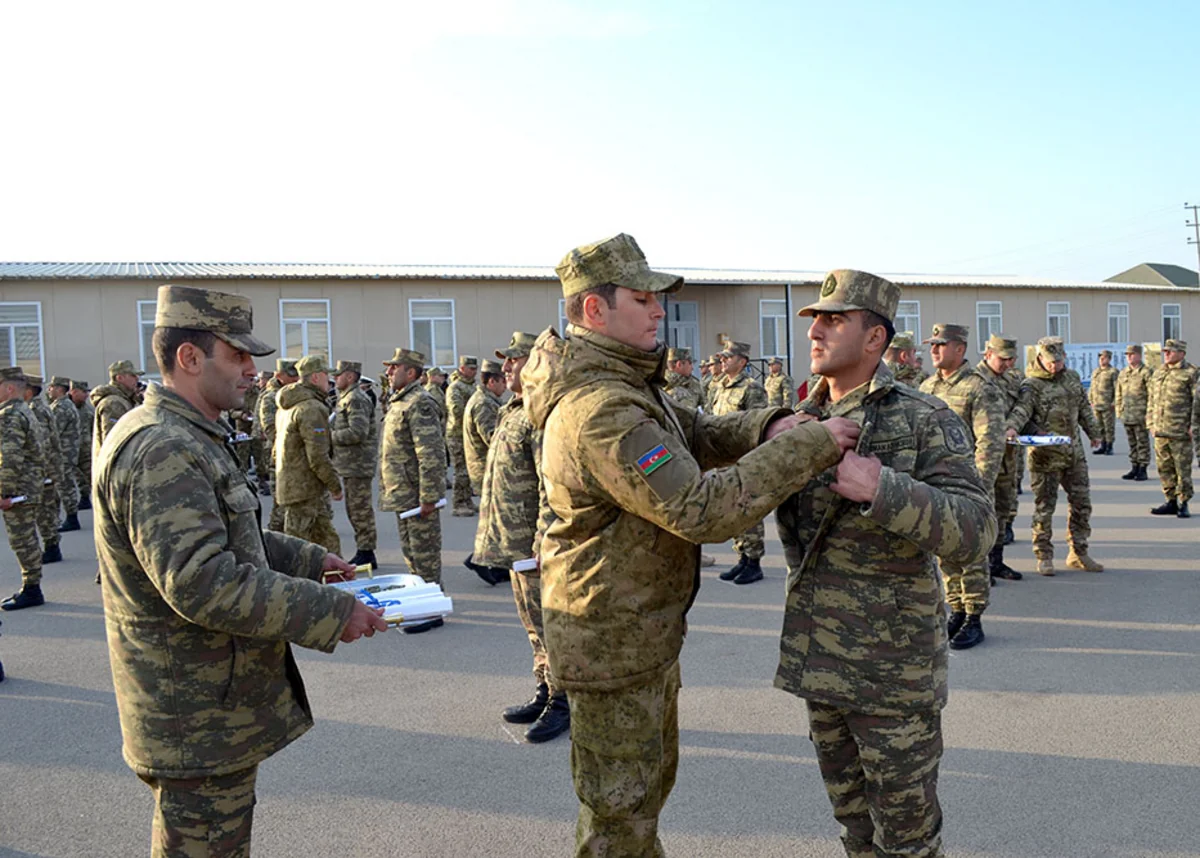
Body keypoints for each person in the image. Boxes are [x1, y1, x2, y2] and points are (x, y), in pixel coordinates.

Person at [522, 233, 858, 857]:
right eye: (643, 297)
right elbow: (699, 509)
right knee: (619, 818)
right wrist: (809, 445)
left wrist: (764, 424)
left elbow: (693, 430)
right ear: (594, 310)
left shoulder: (626, 385)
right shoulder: (601, 409)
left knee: (639, 800)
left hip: (634, 633)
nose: (658, 310)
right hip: (611, 642)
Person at [92, 283, 387, 857]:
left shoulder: (190, 436)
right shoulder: (162, 449)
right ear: (189, 357)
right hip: (193, 716)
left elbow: (230, 531)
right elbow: (201, 581)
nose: (254, 369)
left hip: (209, 710)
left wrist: (308, 559)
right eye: (239, 355)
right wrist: (331, 612)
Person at [775, 269, 995, 858]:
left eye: (834, 319)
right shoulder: (797, 420)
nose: (815, 330)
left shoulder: (924, 417)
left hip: (893, 676)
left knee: (908, 840)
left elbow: (977, 530)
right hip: (820, 662)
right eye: (815, 319)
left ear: (875, 339)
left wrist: (883, 490)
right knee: (856, 831)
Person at [473, 331, 571, 743]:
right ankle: (544, 689)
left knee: (553, 627)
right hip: (513, 546)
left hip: (536, 548)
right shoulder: (512, 410)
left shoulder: (543, 415)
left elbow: (552, 488)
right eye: (506, 361)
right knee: (534, 627)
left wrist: (541, 546)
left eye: (514, 360)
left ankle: (564, 702)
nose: (506, 367)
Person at [919, 323, 1005, 649]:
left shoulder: (979, 388)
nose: (934, 350)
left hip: (968, 486)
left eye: (941, 344)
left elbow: (991, 441)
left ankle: (974, 617)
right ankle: (956, 607)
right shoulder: (928, 386)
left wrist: (978, 487)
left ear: (960, 348)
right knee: (944, 549)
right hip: (935, 484)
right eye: (932, 345)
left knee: (971, 551)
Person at [1005, 337, 1104, 574]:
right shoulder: (1032, 384)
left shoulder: (1072, 379)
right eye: (1050, 362)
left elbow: (1083, 408)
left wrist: (1095, 433)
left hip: (1074, 455)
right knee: (1044, 508)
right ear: (1040, 358)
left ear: (1064, 358)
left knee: (1082, 504)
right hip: (1045, 457)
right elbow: (1021, 411)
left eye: (1058, 361)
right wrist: (1010, 426)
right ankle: (1044, 555)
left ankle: (1079, 552)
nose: (1054, 366)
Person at [379, 348, 448, 633]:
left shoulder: (419, 402)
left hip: (417, 494)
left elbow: (430, 453)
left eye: (394, 368)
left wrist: (430, 496)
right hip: (402, 493)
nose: (388, 372)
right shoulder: (400, 401)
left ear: (411, 372)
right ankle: (424, 605)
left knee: (425, 554)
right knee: (412, 552)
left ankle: (431, 611)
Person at [711, 340, 771, 585]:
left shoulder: (752, 388)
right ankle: (742, 557)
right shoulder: (721, 386)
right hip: (724, 457)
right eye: (722, 357)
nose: (723, 361)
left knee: (748, 509)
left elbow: (758, 424)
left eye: (728, 357)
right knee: (732, 508)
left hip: (743, 459)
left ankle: (754, 562)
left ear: (742, 361)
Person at [275, 354, 343, 554]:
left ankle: (337, 580)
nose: (329, 381)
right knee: (300, 551)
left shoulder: (288, 406)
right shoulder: (312, 408)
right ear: (314, 378)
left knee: (326, 543)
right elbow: (317, 456)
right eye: (325, 375)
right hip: (306, 490)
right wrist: (335, 485)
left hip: (293, 487)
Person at [976, 334, 1024, 581]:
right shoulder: (975, 382)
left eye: (1011, 359)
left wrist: (1017, 425)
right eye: (1003, 359)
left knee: (1002, 510)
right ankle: (978, 568)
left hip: (1006, 459)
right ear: (988, 355)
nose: (1008, 364)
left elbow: (1022, 407)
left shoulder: (1009, 380)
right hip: (980, 460)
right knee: (981, 513)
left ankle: (997, 562)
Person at [0, 367, 48, 611]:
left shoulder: (9, 415)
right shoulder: (25, 411)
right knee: (27, 537)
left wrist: (5, 492)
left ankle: (32, 589)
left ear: (9, 388)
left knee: (22, 540)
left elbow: (10, 456)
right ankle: (32, 586)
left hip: (19, 488)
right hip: (29, 485)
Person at [332, 360, 379, 569]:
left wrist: (329, 437)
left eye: (339, 375)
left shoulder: (356, 399)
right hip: (350, 463)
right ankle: (365, 549)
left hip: (358, 463)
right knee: (354, 508)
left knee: (360, 510)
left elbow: (357, 432)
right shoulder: (346, 397)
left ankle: (366, 552)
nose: (335, 379)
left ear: (350, 377)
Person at [1146, 338, 1198, 518]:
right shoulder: (1159, 372)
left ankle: (1183, 502)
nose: (1166, 354)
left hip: (1180, 431)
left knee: (1182, 470)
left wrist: (1194, 426)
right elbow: (1152, 399)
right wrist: (1150, 423)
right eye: (1165, 351)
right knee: (1164, 468)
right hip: (1160, 430)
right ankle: (1171, 501)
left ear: (1181, 353)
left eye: (1170, 351)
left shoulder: (1191, 373)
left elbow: (1197, 403)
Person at [24, 376, 66, 564]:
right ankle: (52, 546)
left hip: (43, 470)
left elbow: (44, 443)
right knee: (47, 511)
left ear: (29, 391)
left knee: (44, 512)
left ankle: (52, 548)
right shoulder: (39, 408)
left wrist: (44, 472)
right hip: (47, 469)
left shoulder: (35, 410)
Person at [258, 359, 299, 526]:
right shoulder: (270, 398)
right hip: (280, 456)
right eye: (292, 375)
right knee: (281, 504)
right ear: (279, 375)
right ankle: (275, 540)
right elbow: (270, 429)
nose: (296, 379)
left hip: (296, 456)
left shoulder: (295, 393)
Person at [463, 358, 506, 496]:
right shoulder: (483, 404)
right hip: (486, 470)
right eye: (503, 381)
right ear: (492, 382)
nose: (506, 386)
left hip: (488, 469)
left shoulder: (487, 400)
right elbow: (492, 438)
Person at [47, 376, 82, 532]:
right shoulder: (66, 405)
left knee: (65, 487)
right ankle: (70, 517)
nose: (49, 390)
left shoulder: (61, 407)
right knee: (66, 485)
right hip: (68, 453)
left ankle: (72, 518)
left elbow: (54, 432)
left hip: (63, 453)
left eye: (52, 387)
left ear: (59, 389)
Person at [91, 359, 143, 461]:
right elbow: (113, 442)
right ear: (120, 378)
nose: (137, 379)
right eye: (132, 375)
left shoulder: (125, 400)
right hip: (116, 467)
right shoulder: (113, 403)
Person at [446, 356, 479, 516]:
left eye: (475, 369)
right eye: (471, 369)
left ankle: (467, 500)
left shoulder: (471, 387)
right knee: (461, 471)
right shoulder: (456, 387)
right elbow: (456, 410)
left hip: (467, 434)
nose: (474, 372)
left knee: (468, 470)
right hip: (457, 434)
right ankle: (458, 504)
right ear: (462, 368)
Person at [1115, 343, 1153, 481]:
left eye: (1132, 354)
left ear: (1139, 355)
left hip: (1141, 414)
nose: (1129, 357)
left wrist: (1149, 414)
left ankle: (1143, 468)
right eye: (1127, 355)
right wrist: (1119, 410)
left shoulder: (1146, 372)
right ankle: (1134, 466)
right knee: (1132, 443)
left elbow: (1152, 394)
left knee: (1142, 442)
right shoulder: (1124, 372)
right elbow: (1118, 392)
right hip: (1127, 414)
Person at [70, 380, 94, 510]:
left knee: (91, 476)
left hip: (86, 449)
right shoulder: (66, 408)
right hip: (71, 450)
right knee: (76, 477)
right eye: (83, 392)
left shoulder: (88, 409)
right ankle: (82, 499)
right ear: (74, 392)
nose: (86, 395)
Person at [1089, 350, 1118, 455]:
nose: (1101, 359)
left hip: (1108, 405)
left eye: (1104, 357)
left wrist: (1114, 402)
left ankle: (1109, 446)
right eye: (1100, 357)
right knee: (1099, 427)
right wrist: (1091, 399)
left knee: (1108, 427)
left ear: (1109, 359)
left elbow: (1117, 388)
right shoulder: (1096, 372)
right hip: (1097, 404)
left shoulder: (1113, 372)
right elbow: (1092, 387)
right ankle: (1103, 446)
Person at [662, 347, 704, 411]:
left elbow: (705, 409)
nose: (692, 368)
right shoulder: (659, 385)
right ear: (679, 364)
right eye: (690, 363)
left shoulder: (694, 384)